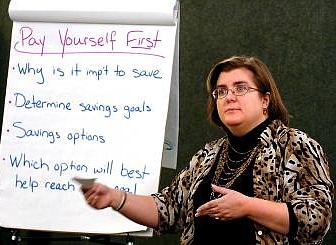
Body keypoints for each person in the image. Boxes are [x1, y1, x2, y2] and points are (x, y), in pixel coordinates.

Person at [81, 55, 334, 244]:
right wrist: (116, 199)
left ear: (265, 100)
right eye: (221, 91)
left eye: (241, 88)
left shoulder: (296, 145)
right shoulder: (208, 155)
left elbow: (317, 219)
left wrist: (247, 207)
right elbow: (168, 209)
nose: (229, 96)